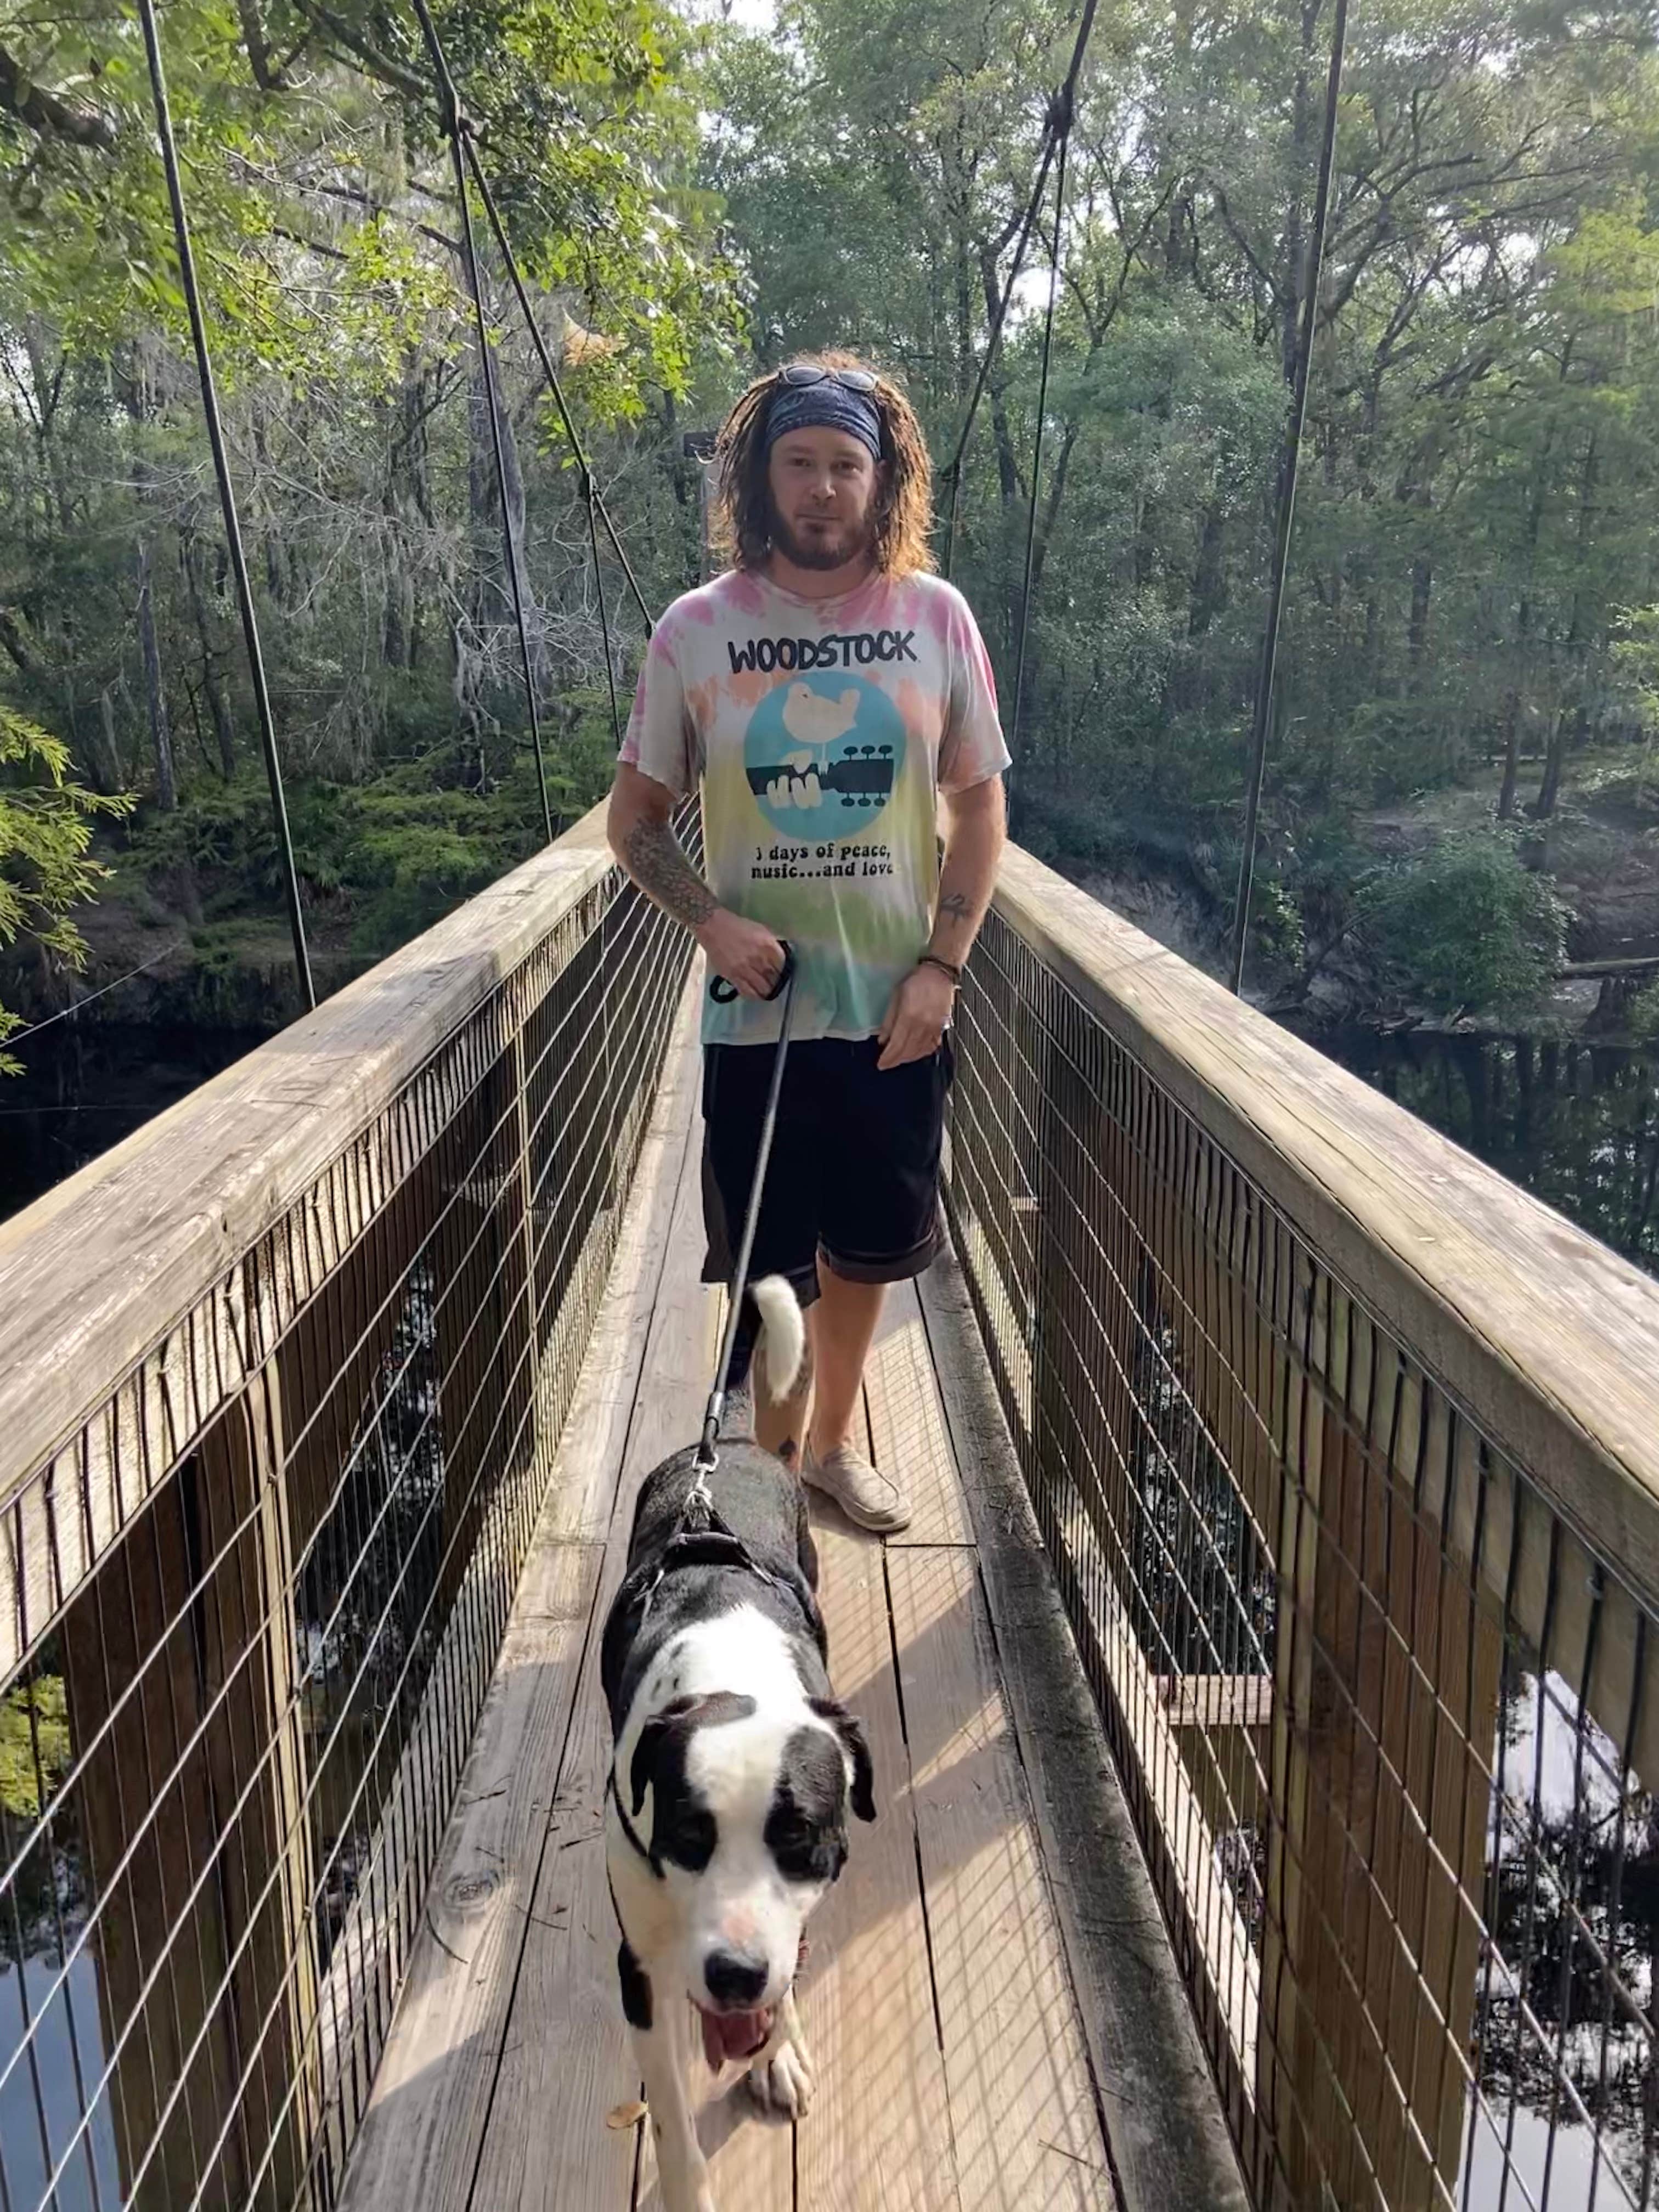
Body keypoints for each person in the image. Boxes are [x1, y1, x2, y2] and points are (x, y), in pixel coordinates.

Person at [606, 353, 1008, 1532]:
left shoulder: (936, 620)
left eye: (846, 464)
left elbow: (980, 806)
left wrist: (943, 968)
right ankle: (769, 1499)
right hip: (758, 1013)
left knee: (870, 1256)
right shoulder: (698, 631)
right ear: (757, 476)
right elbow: (633, 823)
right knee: (767, 1267)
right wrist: (711, 921)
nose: (823, 488)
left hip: (895, 1009)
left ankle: (828, 1449)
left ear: (884, 483)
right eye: (799, 463)